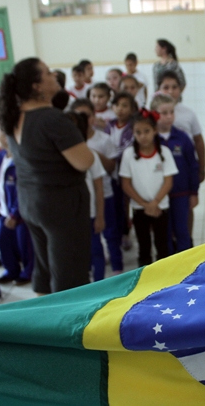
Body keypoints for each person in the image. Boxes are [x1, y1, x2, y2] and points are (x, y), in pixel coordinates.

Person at [0, 57, 94, 294]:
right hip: (59, 204)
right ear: (37, 86)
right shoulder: (52, 119)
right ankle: (65, 323)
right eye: (48, 72)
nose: (54, 75)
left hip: (31, 201)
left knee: (45, 264)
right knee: (69, 270)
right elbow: (84, 161)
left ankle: (44, 309)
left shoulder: (15, 115)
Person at [119, 110, 178, 266]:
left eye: (147, 131)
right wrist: (145, 205)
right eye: (138, 132)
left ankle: (165, 279)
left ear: (155, 131)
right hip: (140, 209)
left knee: (162, 245)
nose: (143, 136)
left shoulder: (164, 153)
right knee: (143, 246)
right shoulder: (128, 155)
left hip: (160, 207)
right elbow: (126, 184)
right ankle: (146, 281)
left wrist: (155, 202)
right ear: (133, 133)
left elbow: (168, 181)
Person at [71, 99, 123, 274]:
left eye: (86, 115)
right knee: (89, 240)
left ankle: (117, 266)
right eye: (77, 116)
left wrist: (91, 154)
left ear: (94, 117)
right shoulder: (69, 145)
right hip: (84, 201)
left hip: (105, 193)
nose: (82, 120)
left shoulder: (103, 139)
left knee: (110, 232)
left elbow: (110, 167)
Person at [150, 93, 199, 254]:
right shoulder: (150, 139)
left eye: (171, 112)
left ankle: (186, 266)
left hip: (181, 193)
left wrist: (193, 192)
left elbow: (192, 165)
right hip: (158, 195)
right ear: (154, 114)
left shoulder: (183, 138)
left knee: (182, 231)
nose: (169, 117)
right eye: (164, 113)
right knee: (164, 233)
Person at [0, 125, 34, 286]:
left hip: (20, 214)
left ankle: (28, 271)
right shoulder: (1, 156)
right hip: (3, 210)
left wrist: (15, 214)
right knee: (2, 240)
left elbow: (23, 191)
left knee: (25, 245)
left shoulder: (20, 159)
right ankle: (11, 270)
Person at [67, 111, 107, 282]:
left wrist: (99, 216)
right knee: (75, 256)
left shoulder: (90, 155)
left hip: (89, 215)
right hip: (68, 218)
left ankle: (99, 285)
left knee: (96, 251)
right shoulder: (56, 158)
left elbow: (99, 188)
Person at [104, 92, 139, 251]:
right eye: (117, 105)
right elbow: (104, 145)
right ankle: (119, 233)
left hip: (128, 171)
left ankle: (127, 231)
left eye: (125, 106)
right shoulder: (109, 125)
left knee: (128, 203)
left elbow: (127, 148)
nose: (120, 109)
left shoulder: (133, 127)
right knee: (117, 205)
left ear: (132, 109)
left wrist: (110, 155)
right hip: (112, 173)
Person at [158, 71, 205, 183]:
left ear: (180, 90)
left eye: (174, 87)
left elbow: (198, 141)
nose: (170, 91)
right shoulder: (153, 113)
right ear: (158, 89)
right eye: (166, 87)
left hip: (184, 163)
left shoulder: (188, 113)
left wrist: (202, 169)